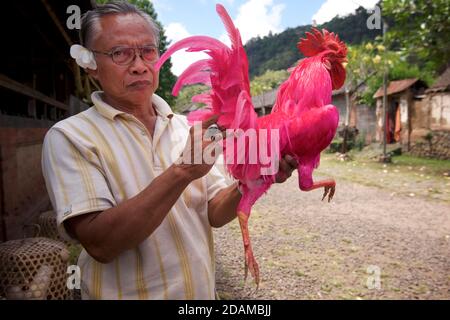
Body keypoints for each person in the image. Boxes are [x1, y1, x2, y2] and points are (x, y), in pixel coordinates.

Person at [41, 1, 297, 300]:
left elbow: (214, 211)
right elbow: (101, 244)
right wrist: (182, 171)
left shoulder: (185, 127)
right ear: (91, 66)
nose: (139, 65)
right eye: (119, 53)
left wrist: (253, 179)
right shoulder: (70, 137)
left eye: (148, 51)